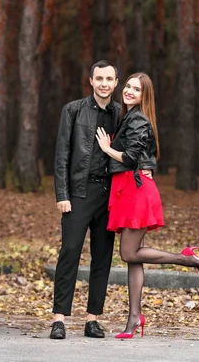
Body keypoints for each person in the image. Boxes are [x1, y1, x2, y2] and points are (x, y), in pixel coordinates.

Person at [95, 72, 199, 339]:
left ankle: (187, 259)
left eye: (137, 89)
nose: (129, 91)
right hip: (129, 189)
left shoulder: (139, 120)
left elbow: (132, 157)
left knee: (128, 254)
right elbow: (147, 154)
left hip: (136, 191)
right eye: (128, 86)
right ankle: (134, 318)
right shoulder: (129, 117)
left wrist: (106, 147)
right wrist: (148, 166)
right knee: (134, 257)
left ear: (145, 96)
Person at [50, 61, 152, 340]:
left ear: (115, 82)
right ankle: (59, 319)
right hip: (78, 194)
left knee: (103, 257)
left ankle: (92, 318)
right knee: (69, 252)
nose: (104, 83)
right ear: (91, 81)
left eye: (109, 79)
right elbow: (62, 155)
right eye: (99, 78)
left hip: (110, 197)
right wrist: (62, 195)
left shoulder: (123, 114)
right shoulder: (72, 110)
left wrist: (148, 165)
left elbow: (141, 144)